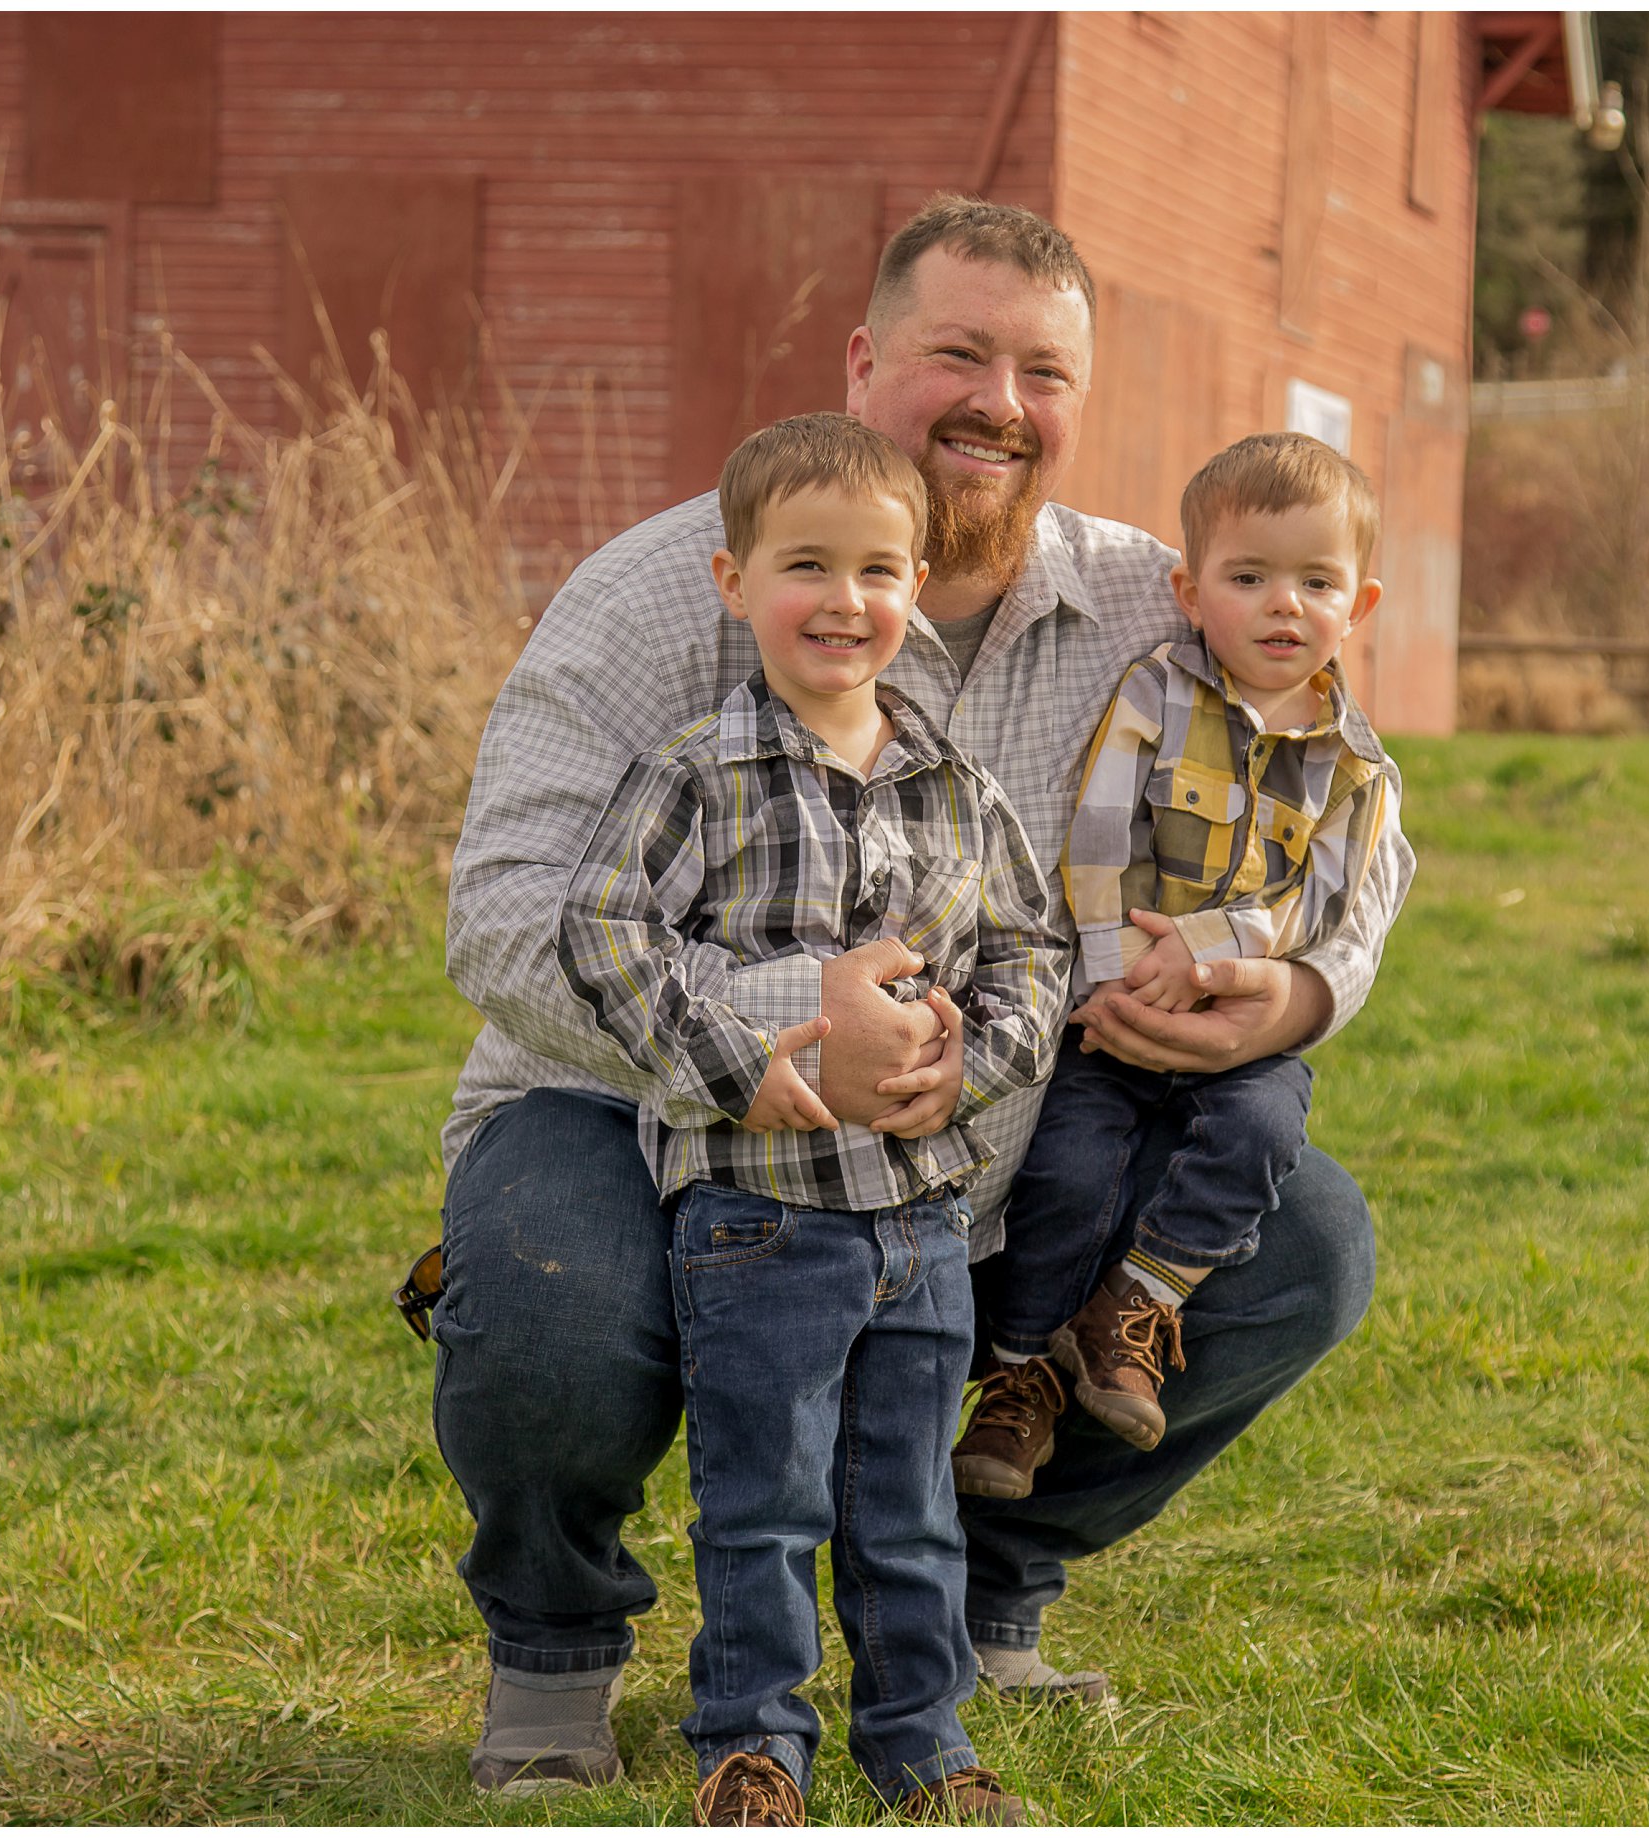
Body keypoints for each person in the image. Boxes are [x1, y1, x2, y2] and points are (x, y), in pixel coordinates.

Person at [434, 195, 1416, 1797]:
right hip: (641, 1116)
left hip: (999, 1137)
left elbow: (1355, 813)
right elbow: (500, 920)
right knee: (547, 1283)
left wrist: (1301, 992)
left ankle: (973, 1596)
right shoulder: (655, 596)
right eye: (957, 353)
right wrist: (786, 1016)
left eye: (1043, 371)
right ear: (862, 357)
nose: (998, 405)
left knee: (1298, 1239)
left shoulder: (1155, 605)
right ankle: (554, 1651)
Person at [554, 411, 1065, 1825]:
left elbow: (1030, 949)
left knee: (905, 1504)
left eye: (879, 570)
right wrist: (729, 1053)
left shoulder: (956, 789)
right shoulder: (694, 773)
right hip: (759, 1216)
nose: (845, 600)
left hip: (917, 1215)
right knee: (765, 1498)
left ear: (915, 591)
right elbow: (598, 929)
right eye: (805, 565)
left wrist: (972, 1069)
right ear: (733, 582)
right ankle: (753, 1743)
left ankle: (922, 1743)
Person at [950, 433, 1397, 1500]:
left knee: (1260, 1133)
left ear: (1358, 605)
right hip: (1109, 1009)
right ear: (1189, 592)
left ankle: (1135, 1307)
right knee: (1067, 1169)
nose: (1282, 604)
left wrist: (1219, 953)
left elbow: (1321, 901)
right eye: (1248, 578)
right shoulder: (1152, 696)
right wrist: (1107, 975)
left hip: (1232, 1011)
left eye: (1315, 582)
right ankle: (1018, 1378)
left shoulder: (1355, 765)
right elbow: (1097, 838)